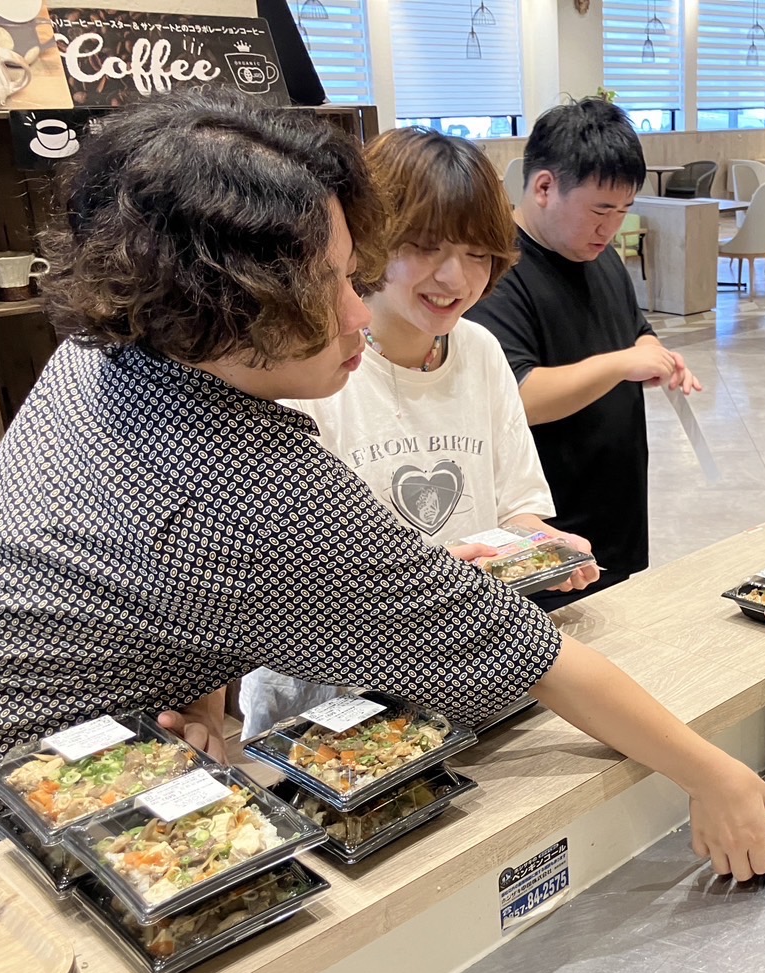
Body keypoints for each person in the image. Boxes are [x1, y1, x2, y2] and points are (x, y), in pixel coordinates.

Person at [0, 93, 765, 883]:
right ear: (228, 297)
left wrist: (192, 699)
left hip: (57, 760)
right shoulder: (257, 489)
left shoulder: (106, 351)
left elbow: (160, 584)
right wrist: (714, 776)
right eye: (336, 283)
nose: (358, 312)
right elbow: (532, 657)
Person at [238, 127, 600, 738]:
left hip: (461, 674)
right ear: (366, 242)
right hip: (331, 707)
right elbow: (272, 581)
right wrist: (422, 582)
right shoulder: (308, 368)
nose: (455, 279)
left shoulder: (480, 350)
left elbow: (515, 508)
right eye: (426, 246)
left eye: (478, 254)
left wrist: (545, 547)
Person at [467, 97, 701, 609]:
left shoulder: (599, 256)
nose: (611, 227)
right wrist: (620, 364)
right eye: (599, 210)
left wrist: (653, 353)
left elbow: (634, 331)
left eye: (623, 211)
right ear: (544, 187)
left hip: (615, 517)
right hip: (550, 536)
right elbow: (518, 396)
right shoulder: (497, 271)